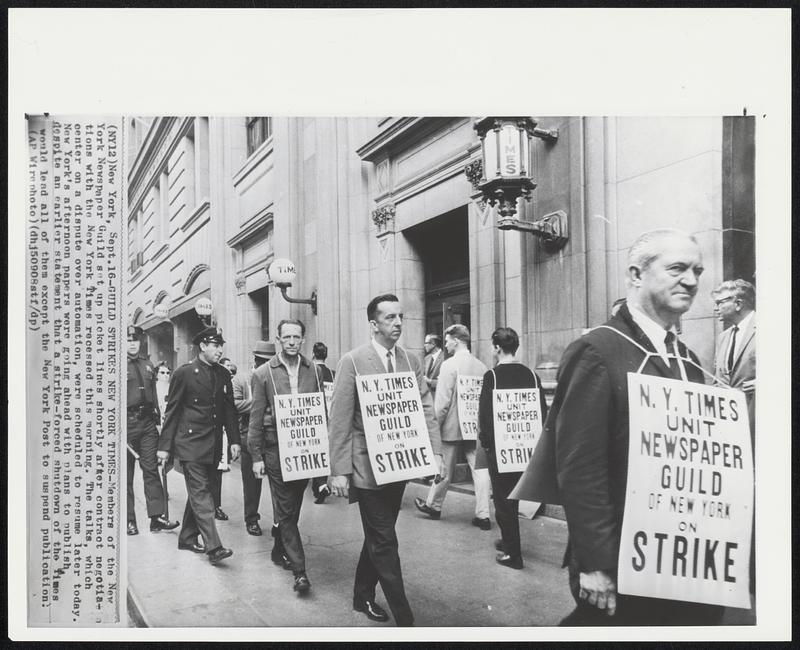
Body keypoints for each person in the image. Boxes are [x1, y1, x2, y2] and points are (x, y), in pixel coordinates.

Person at [515, 228, 724, 626]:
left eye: (697, 269)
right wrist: (596, 563)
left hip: (683, 557)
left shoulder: (688, 358)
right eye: (677, 268)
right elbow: (580, 468)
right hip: (621, 558)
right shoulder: (598, 349)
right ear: (635, 274)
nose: (693, 280)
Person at [327, 293, 443, 627]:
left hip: (400, 465)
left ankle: (361, 594)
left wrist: (435, 452)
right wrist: (339, 471)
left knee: (380, 535)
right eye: (390, 318)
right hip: (366, 469)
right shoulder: (353, 361)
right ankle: (406, 620)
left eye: (400, 317)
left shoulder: (411, 361)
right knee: (385, 540)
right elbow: (340, 419)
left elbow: (425, 408)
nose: (397, 324)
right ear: (373, 324)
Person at [248, 319, 325, 594]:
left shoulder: (313, 371)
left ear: (303, 339)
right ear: (278, 340)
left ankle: (278, 546)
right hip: (276, 450)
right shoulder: (263, 373)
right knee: (286, 510)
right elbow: (255, 418)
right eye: (287, 337)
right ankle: (300, 571)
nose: (292, 342)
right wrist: (256, 456)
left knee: (291, 507)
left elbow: (320, 412)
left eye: (297, 337)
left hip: (304, 450)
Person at [158, 326, 241, 566]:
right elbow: (173, 411)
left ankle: (186, 537)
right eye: (215, 345)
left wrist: (234, 440)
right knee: (203, 494)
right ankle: (214, 547)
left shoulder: (224, 374)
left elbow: (229, 411)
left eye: (221, 346)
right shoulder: (184, 373)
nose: (219, 350)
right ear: (203, 346)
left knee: (203, 492)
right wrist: (165, 447)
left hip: (214, 444)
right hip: (190, 444)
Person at [477, 326, 547, 569]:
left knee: (504, 502)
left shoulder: (492, 377)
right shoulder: (532, 376)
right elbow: (542, 413)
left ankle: (513, 555)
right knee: (514, 499)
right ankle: (509, 541)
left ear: (496, 348)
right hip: (527, 449)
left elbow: (484, 417)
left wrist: (487, 445)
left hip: (501, 451)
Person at [414, 324, 491, 530]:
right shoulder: (482, 366)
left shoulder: (449, 366)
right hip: (474, 426)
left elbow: (442, 403)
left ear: (456, 341)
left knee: (443, 468)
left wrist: (434, 428)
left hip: (451, 427)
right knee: (480, 471)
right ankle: (483, 514)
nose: (445, 344)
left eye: (448, 340)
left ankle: (434, 505)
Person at [126, 326, 179, 536]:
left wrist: (157, 422)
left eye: (135, 340)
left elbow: (154, 396)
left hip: (147, 423)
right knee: (125, 476)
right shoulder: (113, 364)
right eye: (128, 340)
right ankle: (129, 520)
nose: (132, 343)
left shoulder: (148, 364)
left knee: (151, 469)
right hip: (126, 423)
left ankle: (157, 518)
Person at [228, 349, 267, 536]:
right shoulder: (241, 379)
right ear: (256, 361)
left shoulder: (275, 377)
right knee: (251, 482)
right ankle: (251, 518)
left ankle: (280, 522)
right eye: (262, 361)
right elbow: (234, 405)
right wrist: (259, 403)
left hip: (272, 437)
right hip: (249, 437)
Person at [712, 279, 756, 449]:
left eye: (719, 303)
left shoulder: (770, 327)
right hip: (728, 425)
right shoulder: (723, 337)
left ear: (738, 304)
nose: (716, 308)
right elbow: (718, 379)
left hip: (758, 422)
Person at [310, 342, 334, 504]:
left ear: (313, 354)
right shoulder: (332, 374)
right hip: (329, 417)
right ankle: (321, 483)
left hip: (315, 416)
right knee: (323, 452)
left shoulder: (311, 372)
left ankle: (318, 485)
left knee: (313, 451)